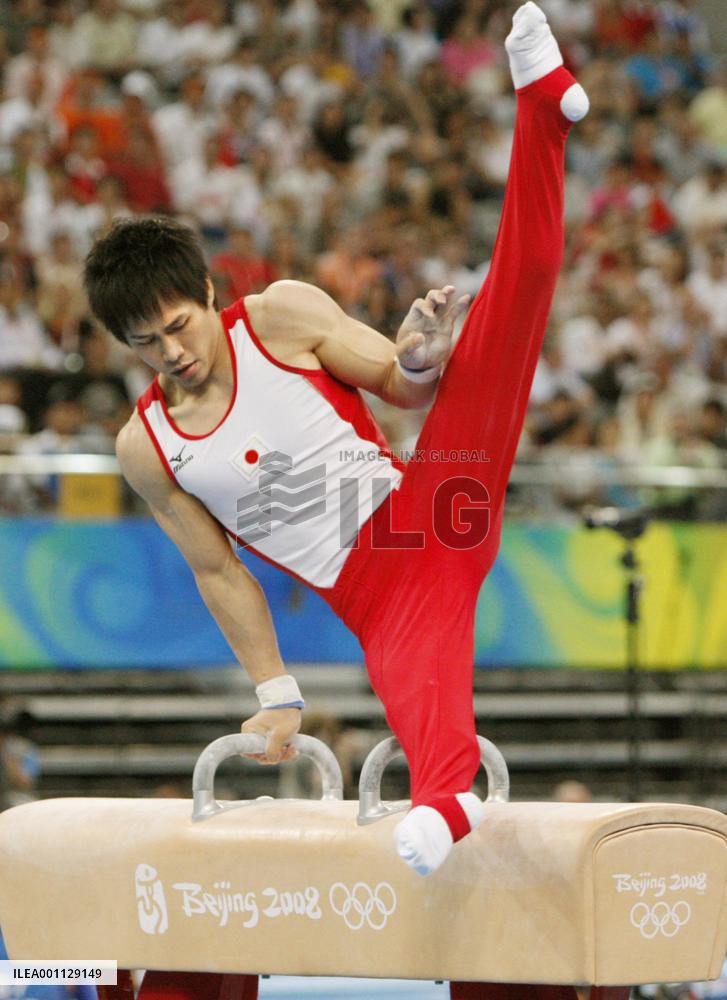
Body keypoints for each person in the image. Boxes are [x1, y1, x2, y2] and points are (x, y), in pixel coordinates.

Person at [83, 2, 588, 877]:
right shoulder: (147, 445)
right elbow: (218, 570)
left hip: (431, 500)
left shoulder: (279, 316)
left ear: (207, 291)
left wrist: (424, 351)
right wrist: (276, 695)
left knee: (517, 295)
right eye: (145, 345)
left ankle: (540, 103)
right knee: (409, 682)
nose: (172, 354)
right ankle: (446, 796)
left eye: (177, 326)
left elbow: (397, 378)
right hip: (375, 595)